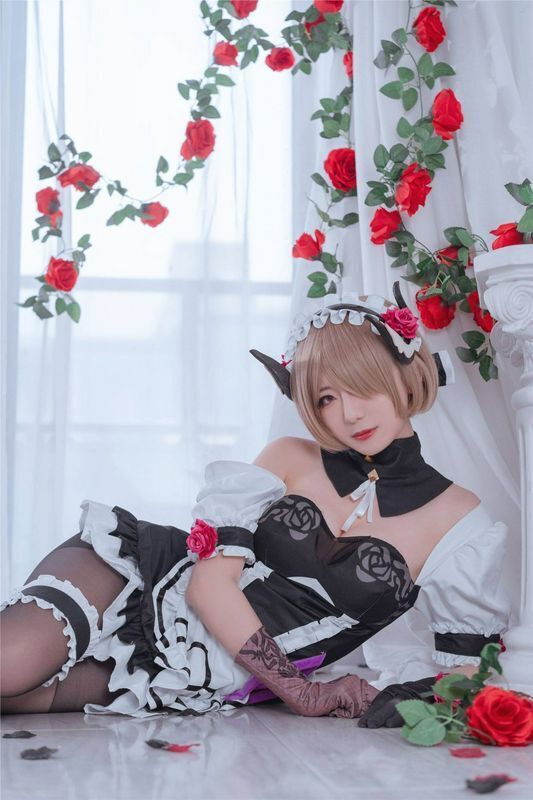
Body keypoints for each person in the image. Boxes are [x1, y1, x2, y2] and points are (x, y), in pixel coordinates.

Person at [0, 282, 509, 723]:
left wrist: (396, 699)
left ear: (406, 371)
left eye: (363, 386)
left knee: (11, 696)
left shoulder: (460, 521)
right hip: (131, 578)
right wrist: (302, 692)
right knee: (8, 666)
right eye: (326, 398)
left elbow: (469, 670)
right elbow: (208, 585)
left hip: (199, 673)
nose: (350, 414)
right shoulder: (289, 456)